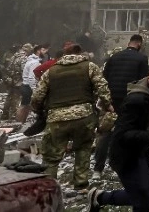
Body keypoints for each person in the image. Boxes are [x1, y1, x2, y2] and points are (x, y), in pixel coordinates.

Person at [87, 60, 149, 212]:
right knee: (142, 198)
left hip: (142, 149)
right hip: (126, 153)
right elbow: (123, 134)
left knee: (147, 195)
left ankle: (99, 197)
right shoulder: (137, 100)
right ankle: (100, 198)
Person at [31, 44, 111, 192]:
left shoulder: (51, 71)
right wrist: (107, 105)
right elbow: (103, 88)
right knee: (83, 150)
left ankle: (49, 187)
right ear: (80, 53)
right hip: (84, 115)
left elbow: (37, 96)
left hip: (56, 118)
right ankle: (81, 185)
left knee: (51, 155)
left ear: (64, 54)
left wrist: (38, 110)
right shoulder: (89, 67)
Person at [94, 35, 149, 179]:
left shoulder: (114, 57)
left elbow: (104, 78)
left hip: (112, 101)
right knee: (127, 132)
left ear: (129, 43)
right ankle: (123, 165)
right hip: (130, 100)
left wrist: (106, 101)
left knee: (106, 133)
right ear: (139, 44)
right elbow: (144, 82)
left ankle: (97, 169)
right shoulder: (142, 59)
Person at [0, 44, 31, 120]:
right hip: (19, 82)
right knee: (16, 99)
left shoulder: (14, 56)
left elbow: (8, 68)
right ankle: (14, 116)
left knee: (9, 98)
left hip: (11, 80)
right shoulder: (23, 58)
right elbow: (24, 70)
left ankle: (5, 115)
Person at [19, 45, 48, 123]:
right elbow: (31, 77)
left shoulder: (31, 60)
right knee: (25, 106)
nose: (45, 52)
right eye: (43, 50)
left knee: (25, 106)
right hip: (28, 87)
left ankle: (21, 122)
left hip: (26, 85)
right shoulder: (35, 62)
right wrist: (34, 89)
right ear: (38, 51)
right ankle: (20, 122)